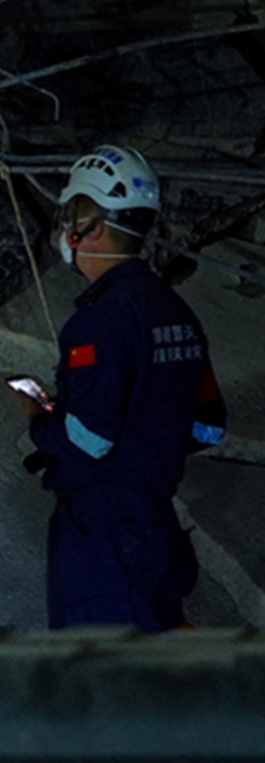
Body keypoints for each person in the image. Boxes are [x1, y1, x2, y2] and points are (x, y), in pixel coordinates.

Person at [16, 145, 226, 631]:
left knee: (104, 683)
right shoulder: (177, 312)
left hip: (102, 533)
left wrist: (39, 420)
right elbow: (209, 428)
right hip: (156, 526)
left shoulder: (99, 320)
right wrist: (151, 438)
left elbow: (88, 440)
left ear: (90, 223)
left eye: (73, 213)